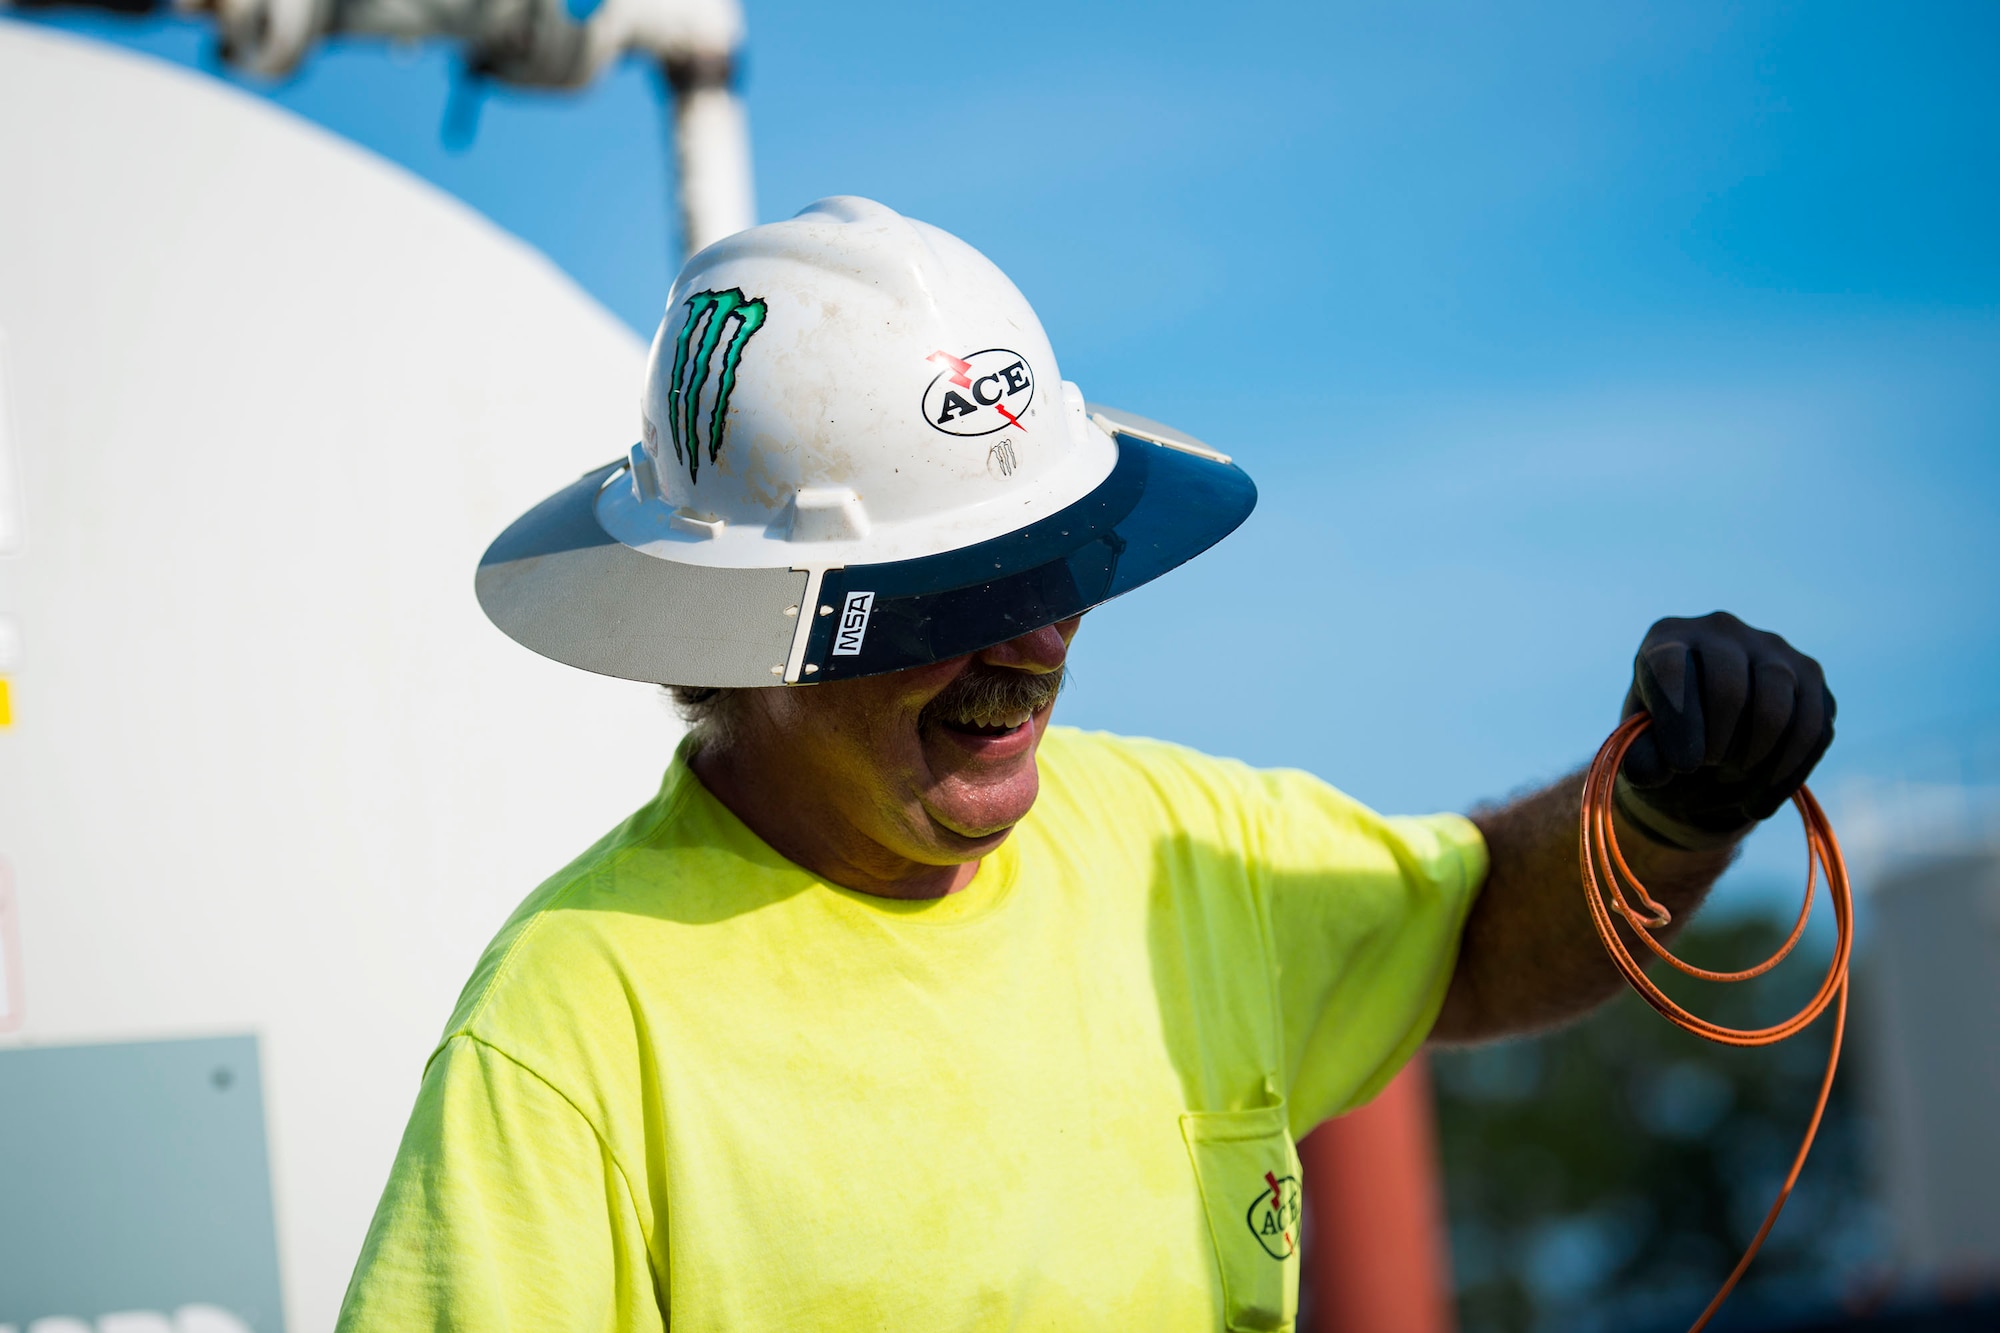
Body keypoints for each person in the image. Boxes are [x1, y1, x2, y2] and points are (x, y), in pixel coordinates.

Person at [337, 198, 1833, 1332]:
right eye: (957, 593)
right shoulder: (573, 1028)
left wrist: (1669, 807)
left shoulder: (1173, 844)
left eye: (1053, 565)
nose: (1038, 640)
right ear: (751, 634)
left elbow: (1479, 941)